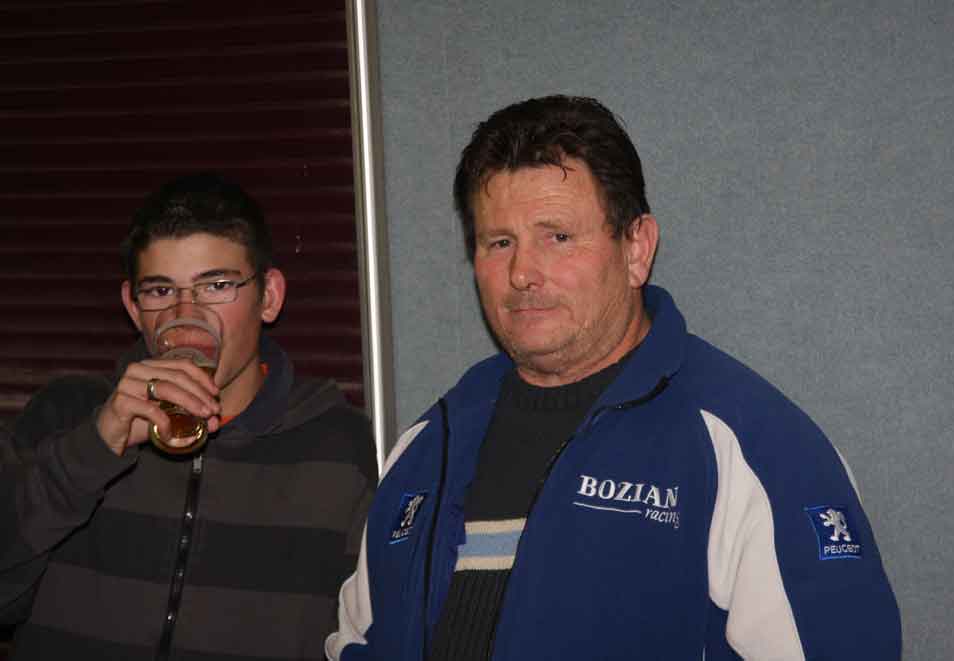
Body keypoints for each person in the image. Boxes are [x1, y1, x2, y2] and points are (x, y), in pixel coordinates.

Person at [326, 95, 901, 660]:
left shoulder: (754, 447)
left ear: (636, 248)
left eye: (558, 237)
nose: (522, 273)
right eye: (499, 243)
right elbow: (357, 643)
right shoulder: (430, 447)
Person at [0, 173, 377, 660]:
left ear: (268, 297)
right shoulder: (66, 415)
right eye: (160, 291)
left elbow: (361, 636)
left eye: (215, 285)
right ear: (133, 307)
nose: (187, 314)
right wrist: (94, 448)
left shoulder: (336, 444)